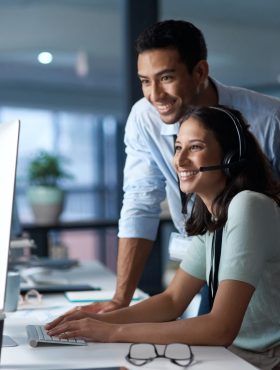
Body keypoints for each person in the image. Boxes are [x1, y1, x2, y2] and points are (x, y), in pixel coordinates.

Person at [46, 105, 280, 370]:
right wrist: (100, 322)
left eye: (195, 147)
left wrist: (112, 333)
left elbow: (221, 328)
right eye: (178, 147)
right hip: (233, 353)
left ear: (230, 156)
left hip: (264, 358)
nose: (179, 161)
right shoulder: (215, 216)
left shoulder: (249, 205)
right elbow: (171, 301)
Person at [77, 19, 280, 314]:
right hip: (210, 259)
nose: (155, 95)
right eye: (145, 81)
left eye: (166, 78)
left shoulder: (269, 121)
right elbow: (140, 202)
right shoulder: (144, 118)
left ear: (199, 72)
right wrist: (119, 302)